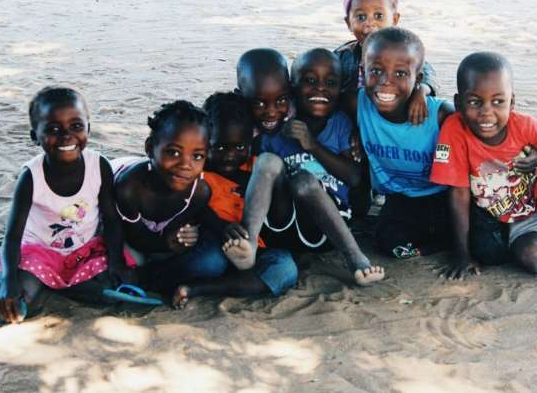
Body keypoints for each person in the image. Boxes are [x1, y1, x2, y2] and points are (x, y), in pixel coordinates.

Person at [0, 87, 129, 323]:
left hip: (82, 253)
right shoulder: (31, 176)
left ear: (88, 128)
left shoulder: (100, 166)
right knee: (23, 303)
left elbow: (112, 220)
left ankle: (56, 284)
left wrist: (117, 262)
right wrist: (8, 283)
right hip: (38, 254)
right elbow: (12, 236)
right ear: (35, 135)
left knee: (110, 292)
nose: (66, 136)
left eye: (76, 126)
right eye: (53, 129)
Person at [430, 51, 537, 279]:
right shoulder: (455, 130)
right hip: (520, 228)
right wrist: (462, 254)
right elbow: (458, 195)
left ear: (512, 102)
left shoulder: (526, 126)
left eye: (498, 101)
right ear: (458, 103)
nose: (486, 112)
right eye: (475, 102)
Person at [236, 48, 384, 286]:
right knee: (267, 162)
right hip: (280, 225)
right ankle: (248, 244)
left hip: (326, 229)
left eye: (331, 82)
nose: (320, 89)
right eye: (310, 81)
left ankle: (356, 259)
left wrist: (313, 146)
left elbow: (355, 178)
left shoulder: (339, 124)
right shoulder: (275, 129)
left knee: (304, 181)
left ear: (340, 88)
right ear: (292, 86)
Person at [172, 92, 298, 308]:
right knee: (210, 262)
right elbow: (194, 207)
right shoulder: (199, 173)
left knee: (285, 269)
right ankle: (162, 278)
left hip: (254, 250)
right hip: (214, 245)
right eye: (219, 147)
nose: (229, 156)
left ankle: (199, 289)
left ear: (251, 139)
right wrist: (221, 228)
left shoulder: (256, 169)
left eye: (240, 147)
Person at [357, 27, 456, 258]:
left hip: (446, 196)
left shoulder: (441, 115)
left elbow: (480, 133)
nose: (386, 82)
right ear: (363, 71)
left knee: (480, 243)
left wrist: (528, 153)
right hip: (403, 197)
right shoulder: (358, 104)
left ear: (418, 78)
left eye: (400, 74)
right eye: (376, 71)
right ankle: (431, 246)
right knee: (386, 242)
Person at [113, 101, 228, 295]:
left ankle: (149, 279)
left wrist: (183, 237)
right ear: (150, 148)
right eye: (173, 152)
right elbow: (135, 237)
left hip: (155, 242)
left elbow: (194, 218)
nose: (186, 165)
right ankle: (145, 278)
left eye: (197, 156)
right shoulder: (129, 187)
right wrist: (167, 243)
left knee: (213, 263)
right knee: (125, 259)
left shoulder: (198, 192)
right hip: (125, 231)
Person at [335, 0, 439, 121]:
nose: (370, 24)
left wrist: (421, 91)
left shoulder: (405, 54)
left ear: (394, 19)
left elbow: (428, 75)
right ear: (348, 23)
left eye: (378, 15)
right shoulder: (342, 56)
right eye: (361, 16)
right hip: (353, 125)